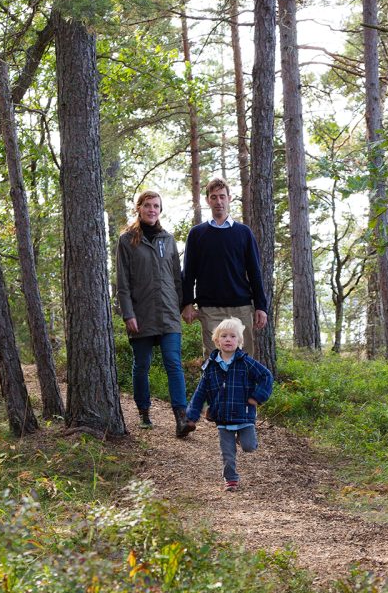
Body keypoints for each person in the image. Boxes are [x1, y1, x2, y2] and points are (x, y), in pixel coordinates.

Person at [116, 190, 195, 438]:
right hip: (141, 314)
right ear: (139, 208)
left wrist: (183, 305)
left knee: (174, 364)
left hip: (169, 313)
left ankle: (181, 418)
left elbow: (176, 277)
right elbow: (123, 282)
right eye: (148, 205)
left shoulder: (168, 239)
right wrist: (128, 314)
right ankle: (143, 411)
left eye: (156, 206)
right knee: (142, 365)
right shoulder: (127, 240)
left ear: (160, 210)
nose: (152, 210)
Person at [181, 178, 268, 356]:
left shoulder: (244, 233)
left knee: (242, 361)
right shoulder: (197, 234)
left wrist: (261, 306)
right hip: (210, 309)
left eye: (222, 196)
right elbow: (188, 272)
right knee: (214, 363)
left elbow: (254, 272)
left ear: (229, 198)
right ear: (207, 200)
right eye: (214, 197)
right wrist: (187, 303)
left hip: (241, 308)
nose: (218, 201)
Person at [185, 317, 273, 490]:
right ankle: (231, 480)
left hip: (244, 414)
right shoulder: (211, 366)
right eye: (224, 336)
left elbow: (266, 376)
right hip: (222, 416)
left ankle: (243, 437)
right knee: (227, 453)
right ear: (217, 341)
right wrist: (191, 415)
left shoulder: (246, 363)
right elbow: (200, 391)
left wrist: (257, 397)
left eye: (233, 336)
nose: (228, 339)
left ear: (239, 341)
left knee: (249, 446)